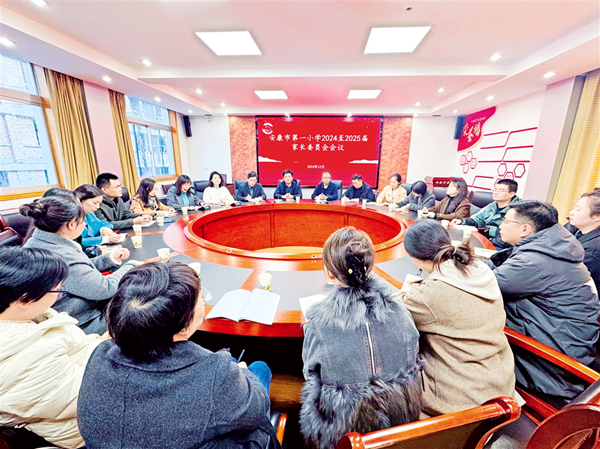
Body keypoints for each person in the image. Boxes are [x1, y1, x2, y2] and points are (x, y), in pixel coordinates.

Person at [78, 261, 279, 449]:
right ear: (183, 327)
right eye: (200, 298)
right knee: (259, 368)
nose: (203, 300)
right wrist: (239, 373)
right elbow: (256, 410)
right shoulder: (215, 375)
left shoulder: (99, 355)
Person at [300, 227, 422, 449]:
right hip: (400, 423)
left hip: (342, 432)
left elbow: (310, 374)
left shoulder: (318, 323)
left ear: (328, 272)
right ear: (370, 267)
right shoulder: (401, 312)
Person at [399, 220, 519, 417]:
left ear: (416, 258)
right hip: (501, 383)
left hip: (462, 397)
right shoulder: (478, 268)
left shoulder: (430, 294)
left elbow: (392, 311)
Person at [489, 200, 600, 405]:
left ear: (525, 229)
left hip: (552, 368)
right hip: (567, 347)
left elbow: (485, 286)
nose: (500, 226)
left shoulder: (536, 260)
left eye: (505, 221)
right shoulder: (553, 248)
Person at [0, 247, 109, 449]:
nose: (59, 295)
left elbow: (79, 351)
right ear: (24, 299)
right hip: (87, 430)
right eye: (57, 290)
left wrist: (106, 341)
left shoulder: (25, 318)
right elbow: (90, 394)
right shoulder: (23, 358)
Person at [22, 196, 141, 334]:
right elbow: (105, 288)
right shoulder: (61, 255)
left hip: (76, 311)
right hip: (84, 322)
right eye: (84, 221)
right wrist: (132, 266)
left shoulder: (39, 241)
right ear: (72, 225)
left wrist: (108, 259)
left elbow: (79, 270)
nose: (85, 224)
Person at [451, 179, 520, 250]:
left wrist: (487, 241)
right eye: (495, 189)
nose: (496, 193)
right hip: (486, 241)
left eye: (501, 190)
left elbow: (510, 237)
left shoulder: (517, 210)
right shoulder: (491, 206)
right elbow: (478, 220)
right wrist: (462, 221)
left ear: (511, 194)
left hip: (502, 247)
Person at [568, 189, 600, 294]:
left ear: (597, 217)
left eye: (578, 210)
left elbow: (570, 281)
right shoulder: (578, 230)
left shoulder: (592, 251)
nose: (571, 212)